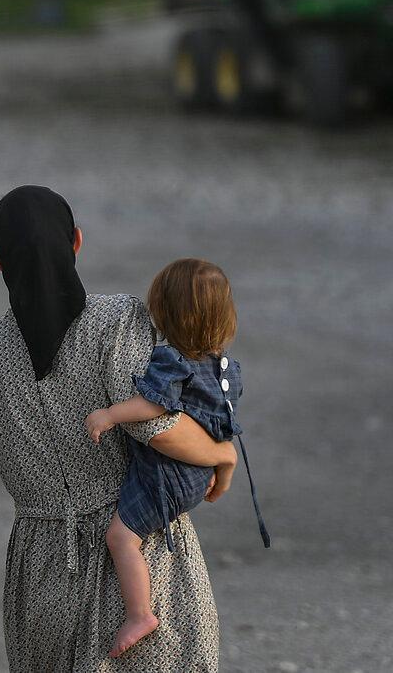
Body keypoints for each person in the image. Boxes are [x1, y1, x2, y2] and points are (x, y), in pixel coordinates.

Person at [0, 186, 236, 671]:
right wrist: (223, 455)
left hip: (39, 563)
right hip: (139, 548)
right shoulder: (119, 320)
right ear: (77, 242)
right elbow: (159, 428)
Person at [85, 258, 270, 658]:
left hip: (169, 475)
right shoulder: (226, 368)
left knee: (120, 538)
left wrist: (111, 414)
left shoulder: (172, 360)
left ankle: (140, 614)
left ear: (164, 313)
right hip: (199, 471)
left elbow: (155, 407)